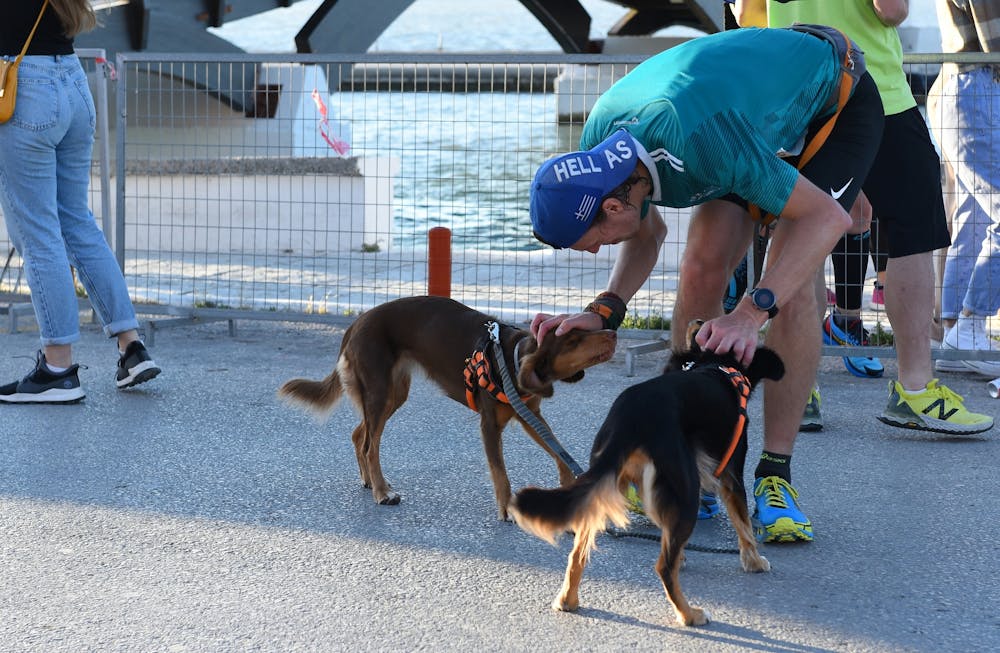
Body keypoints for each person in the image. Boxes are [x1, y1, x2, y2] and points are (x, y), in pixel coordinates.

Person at [530, 24, 887, 543]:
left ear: (611, 206)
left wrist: (750, 313)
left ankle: (774, 476)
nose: (589, 251)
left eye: (588, 241)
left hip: (832, 99)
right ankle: (689, 466)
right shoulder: (600, 146)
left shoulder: (703, 140)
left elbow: (826, 220)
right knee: (700, 266)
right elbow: (646, 234)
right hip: (746, 117)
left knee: (788, 283)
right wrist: (604, 308)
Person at [732, 1, 994, 433]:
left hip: (802, 88)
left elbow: (747, 14)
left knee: (801, 234)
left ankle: (799, 386)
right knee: (913, 235)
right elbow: (890, 9)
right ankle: (915, 387)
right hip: (875, 86)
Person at [0, 0, 161, 404]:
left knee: (39, 234)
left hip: (25, 88)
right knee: (77, 222)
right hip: (72, 82)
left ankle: (57, 368)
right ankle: (131, 345)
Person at [931, 0, 1000, 377]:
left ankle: (958, 332)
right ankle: (968, 330)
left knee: (974, 215)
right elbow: (993, 35)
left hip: (960, 82)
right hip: (975, 82)